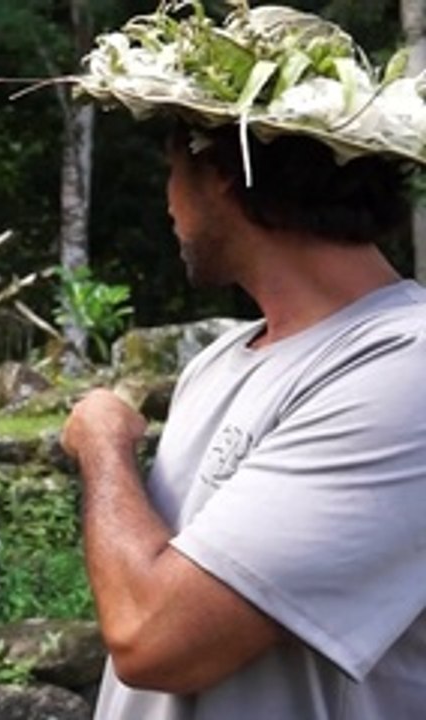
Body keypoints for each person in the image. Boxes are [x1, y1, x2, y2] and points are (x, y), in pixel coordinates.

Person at [61, 2, 426, 718]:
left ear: (221, 172)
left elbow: (153, 636)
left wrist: (103, 442)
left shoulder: (403, 370)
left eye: (171, 170)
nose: (168, 205)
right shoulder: (223, 360)